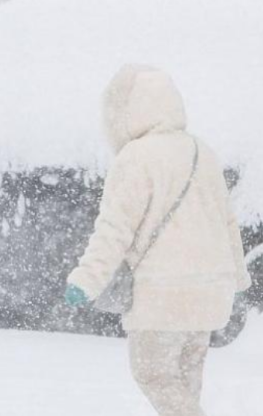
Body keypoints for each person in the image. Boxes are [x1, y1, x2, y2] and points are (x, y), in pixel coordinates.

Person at [64, 65, 251, 416]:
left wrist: (86, 280)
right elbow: (227, 222)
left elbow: (114, 229)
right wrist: (238, 276)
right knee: (185, 381)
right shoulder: (203, 153)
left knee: (152, 373)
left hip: (164, 296)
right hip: (211, 292)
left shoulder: (135, 158)